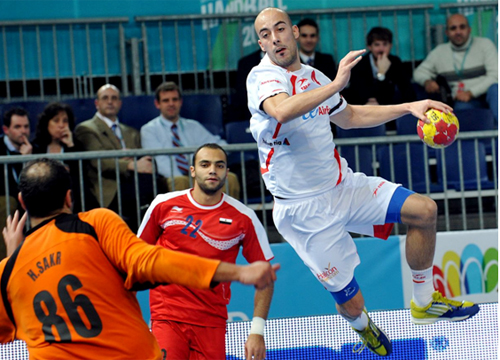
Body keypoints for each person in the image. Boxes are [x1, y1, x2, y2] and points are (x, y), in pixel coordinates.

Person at [247, 8, 479, 357]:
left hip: (344, 186)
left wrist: (407, 106)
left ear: (294, 31)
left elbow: (350, 116)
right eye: (265, 34)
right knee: (353, 303)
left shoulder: (314, 77)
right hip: (304, 211)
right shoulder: (261, 77)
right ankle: (362, 327)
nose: (275, 38)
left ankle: (423, 302)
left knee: (424, 211)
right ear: (261, 42)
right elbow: (281, 110)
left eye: (280, 29)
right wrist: (337, 84)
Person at [0, 158, 279, 360]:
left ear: (22, 202)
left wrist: (15, 257)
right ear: (69, 197)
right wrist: (236, 273)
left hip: (206, 321)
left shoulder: (7, 273)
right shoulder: (96, 223)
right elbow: (151, 261)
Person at [138, 143, 273, 360]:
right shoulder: (163, 205)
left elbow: (266, 274)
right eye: (205, 164)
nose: (212, 170)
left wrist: (257, 331)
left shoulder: (244, 217)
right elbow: (133, 257)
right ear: (193, 170)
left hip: (212, 320)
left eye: (219, 166)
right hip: (168, 314)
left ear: (227, 173)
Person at [75, 84, 164, 231]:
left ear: (120, 103)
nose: (110, 102)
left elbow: (141, 159)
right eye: (105, 98)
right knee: (146, 182)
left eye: (114, 98)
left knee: (154, 177)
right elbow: (99, 161)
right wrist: (130, 164)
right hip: (109, 187)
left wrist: (137, 162)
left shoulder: (131, 132)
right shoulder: (86, 129)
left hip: (133, 182)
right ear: (97, 103)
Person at [141, 81, 241, 199]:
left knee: (231, 178)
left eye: (175, 99)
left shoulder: (193, 126)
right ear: (157, 104)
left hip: (198, 174)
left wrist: (203, 172)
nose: (171, 104)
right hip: (170, 177)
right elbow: (161, 162)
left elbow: (218, 146)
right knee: (179, 181)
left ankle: (227, 216)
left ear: (180, 102)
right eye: (166, 100)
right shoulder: (149, 130)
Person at [413, 13, 498, 123]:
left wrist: (470, 92)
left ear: (469, 29)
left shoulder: (485, 45)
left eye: (462, 27)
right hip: (461, 101)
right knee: (460, 109)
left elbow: (496, 75)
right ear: (447, 33)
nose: (458, 32)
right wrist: (427, 81)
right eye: (453, 28)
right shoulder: (439, 52)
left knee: (496, 90)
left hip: (486, 94)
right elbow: (418, 72)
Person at [32, 102, 98, 212]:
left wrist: (71, 145)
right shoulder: (37, 146)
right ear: (47, 123)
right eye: (56, 120)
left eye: (65, 121)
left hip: (72, 194)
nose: (61, 125)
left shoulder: (76, 145)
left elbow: (82, 175)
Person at [344, 27, 416, 106]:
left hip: (388, 108)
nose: (381, 49)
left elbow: (408, 92)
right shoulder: (360, 63)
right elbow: (360, 94)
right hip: (363, 108)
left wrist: (381, 73)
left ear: (390, 46)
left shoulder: (395, 62)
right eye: (377, 45)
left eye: (385, 44)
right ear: (370, 47)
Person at [0, 107, 32, 259]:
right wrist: (22, 161)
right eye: (17, 127)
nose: (23, 131)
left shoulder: (33, 148)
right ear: (6, 129)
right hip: (7, 202)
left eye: (26, 126)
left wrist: (28, 159)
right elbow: (8, 185)